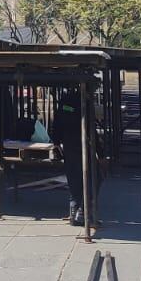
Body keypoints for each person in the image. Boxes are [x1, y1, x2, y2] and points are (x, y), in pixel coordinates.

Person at [54, 88, 90, 227]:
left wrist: (56, 141)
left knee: (73, 177)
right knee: (91, 177)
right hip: (81, 143)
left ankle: (75, 209)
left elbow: (57, 122)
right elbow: (90, 126)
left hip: (68, 143)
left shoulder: (65, 101)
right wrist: (101, 152)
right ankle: (81, 210)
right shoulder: (84, 102)